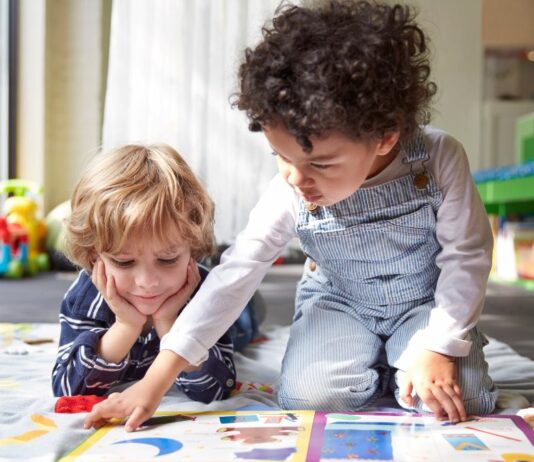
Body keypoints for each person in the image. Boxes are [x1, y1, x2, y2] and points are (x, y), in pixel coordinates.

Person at [85, 1, 497, 431]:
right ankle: (383, 356)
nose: (296, 178)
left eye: (320, 164)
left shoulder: (437, 156)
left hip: (423, 301)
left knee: (462, 399)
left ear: (384, 135)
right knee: (312, 397)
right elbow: (236, 274)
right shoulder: (289, 187)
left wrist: (440, 346)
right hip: (341, 301)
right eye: (280, 156)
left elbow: (467, 257)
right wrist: (154, 381)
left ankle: (404, 354)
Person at [52, 144, 258, 403]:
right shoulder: (84, 298)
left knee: (245, 320)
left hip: (234, 317)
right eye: (124, 262)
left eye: (167, 259)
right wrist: (126, 326)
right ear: (95, 257)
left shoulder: (207, 291)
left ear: (193, 249)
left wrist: (169, 324)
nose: (147, 282)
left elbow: (215, 390)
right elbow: (67, 389)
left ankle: (251, 302)